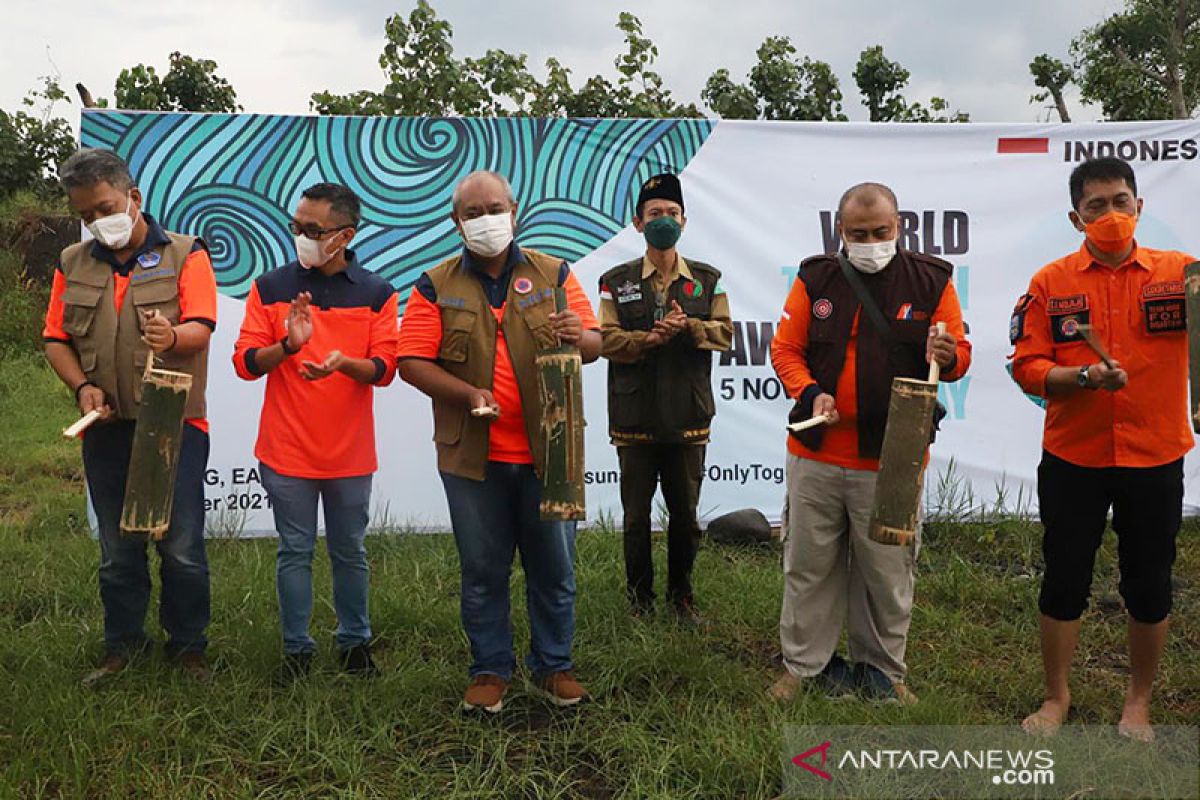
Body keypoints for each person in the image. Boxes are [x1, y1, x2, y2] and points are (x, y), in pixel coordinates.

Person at [397, 170, 601, 713]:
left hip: (549, 453)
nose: (486, 220)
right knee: (483, 570)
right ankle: (489, 670)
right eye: (473, 212)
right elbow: (411, 361)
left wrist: (574, 336)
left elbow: (595, 343)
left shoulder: (554, 274)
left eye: (494, 208)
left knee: (554, 569)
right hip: (473, 458)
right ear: (455, 222)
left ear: (514, 209)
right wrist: (467, 394)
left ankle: (554, 666)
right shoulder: (434, 284)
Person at [1010, 157, 1193, 741]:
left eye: (1120, 201)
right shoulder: (1050, 282)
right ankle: (1055, 697)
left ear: (1140, 206)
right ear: (1075, 217)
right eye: (1096, 206)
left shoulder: (1183, 274)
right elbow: (1027, 367)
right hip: (1074, 457)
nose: (1110, 215)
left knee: (1149, 582)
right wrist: (1084, 378)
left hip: (1156, 454)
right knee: (1064, 578)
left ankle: (1137, 701)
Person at [768, 182, 971, 704]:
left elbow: (959, 356)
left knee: (887, 570)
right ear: (841, 231)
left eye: (881, 231)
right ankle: (803, 666)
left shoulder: (931, 281)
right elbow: (785, 350)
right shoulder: (817, 278)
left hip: (895, 456)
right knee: (809, 565)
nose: (871, 241)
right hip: (817, 455)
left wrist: (947, 354)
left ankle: (883, 670)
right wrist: (811, 393)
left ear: (898, 226)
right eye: (859, 233)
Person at [43, 148, 216, 685]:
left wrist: (172, 336)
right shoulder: (73, 261)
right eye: (86, 214)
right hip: (107, 430)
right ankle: (122, 649)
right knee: (117, 550)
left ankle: (188, 652)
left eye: (105, 207)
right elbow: (56, 339)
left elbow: (202, 327)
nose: (98, 222)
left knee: (181, 546)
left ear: (133, 198)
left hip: (174, 426)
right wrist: (82, 387)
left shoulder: (186, 254)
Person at [233, 183, 398, 680]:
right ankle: (296, 651)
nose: (300, 236)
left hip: (349, 455)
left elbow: (386, 368)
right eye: (296, 226)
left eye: (312, 229)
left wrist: (345, 364)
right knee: (294, 552)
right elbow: (244, 363)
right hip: (285, 452)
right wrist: (288, 343)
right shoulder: (269, 288)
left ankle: (355, 644)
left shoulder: (377, 293)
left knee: (351, 552)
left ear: (343, 235)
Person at [597, 173, 732, 622]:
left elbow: (726, 334)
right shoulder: (615, 281)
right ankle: (639, 601)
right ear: (637, 223)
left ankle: (682, 598)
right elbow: (606, 340)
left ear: (684, 221)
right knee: (635, 518)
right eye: (655, 214)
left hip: (688, 415)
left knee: (685, 516)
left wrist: (690, 328)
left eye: (672, 214)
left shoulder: (707, 280)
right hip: (634, 415)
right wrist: (647, 339)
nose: (664, 221)